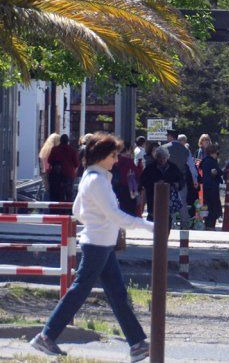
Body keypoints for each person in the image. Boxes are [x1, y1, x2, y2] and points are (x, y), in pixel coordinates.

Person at [30, 132, 153, 361]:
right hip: (97, 244)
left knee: (117, 294)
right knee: (80, 291)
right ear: (102, 156)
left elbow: (78, 211)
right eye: (114, 155)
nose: (117, 160)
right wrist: (148, 226)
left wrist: (97, 221)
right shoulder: (97, 181)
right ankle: (46, 337)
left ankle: (137, 344)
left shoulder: (93, 177)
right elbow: (115, 215)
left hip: (100, 244)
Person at [139, 147, 183, 228]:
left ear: (167, 157)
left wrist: (177, 185)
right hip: (153, 198)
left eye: (164, 158)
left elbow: (181, 180)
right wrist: (155, 183)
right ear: (156, 157)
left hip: (168, 198)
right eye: (160, 158)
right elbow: (142, 181)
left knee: (167, 221)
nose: (162, 160)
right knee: (153, 221)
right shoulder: (150, 167)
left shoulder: (173, 167)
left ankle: (164, 238)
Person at [163, 130, 197, 229]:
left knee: (166, 201)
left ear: (170, 137)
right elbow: (191, 166)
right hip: (181, 180)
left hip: (167, 180)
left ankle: (169, 223)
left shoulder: (164, 148)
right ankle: (184, 224)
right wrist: (195, 180)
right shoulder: (185, 150)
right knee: (182, 203)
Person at [111, 142, 142, 216]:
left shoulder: (111, 161)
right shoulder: (128, 161)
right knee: (127, 211)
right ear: (127, 150)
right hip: (127, 188)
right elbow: (137, 174)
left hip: (113, 186)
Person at [47, 134, 80, 202]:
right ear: (68, 141)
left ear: (60, 141)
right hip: (69, 174)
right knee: (69, 194)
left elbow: (49, 160)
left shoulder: (55, 149)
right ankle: (68, 210)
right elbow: (76, 164)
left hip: (57, 175)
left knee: (59, 194)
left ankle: (59, 210)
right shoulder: (72, 150)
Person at [199, 143, 223, 229]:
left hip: (206, 186)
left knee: (206, 205)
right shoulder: (212, 161)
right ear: (213, 152)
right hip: (212, 186)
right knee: (213, 206)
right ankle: (210, 224)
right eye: (217, 153)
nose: (217, 155)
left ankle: (206, 221)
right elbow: (216, 172)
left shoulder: (205, 160)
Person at [38, 133, 61, 200]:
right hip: (53, 174)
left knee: (47, 192)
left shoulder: (44, 150)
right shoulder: (54, 150)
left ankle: (45, 209)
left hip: (45, 174)